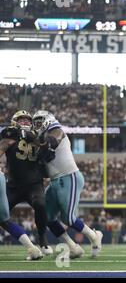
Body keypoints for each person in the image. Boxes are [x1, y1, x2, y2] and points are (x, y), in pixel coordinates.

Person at [32, 110, 103, 258]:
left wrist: (45, 146)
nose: (37, 125)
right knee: (47, 217)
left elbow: (55, 138)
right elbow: (45, 172)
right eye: (35, 122)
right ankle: (73, 247)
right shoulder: (40, 141)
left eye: (39, 121)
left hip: (69, 177)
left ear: (47, 120)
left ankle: (94, 235)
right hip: (54, 181)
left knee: (68, 218)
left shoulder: (56, 130)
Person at [0, 110, 52, 257]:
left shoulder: (38, 135)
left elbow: (45, 147)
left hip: (34, 184)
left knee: (41, 205)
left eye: (27, 120)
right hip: (13, 185)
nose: (25, 122)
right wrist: (20, 134)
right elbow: (5, 140)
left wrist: (32, 137)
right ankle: (28, 243)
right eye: (21, 119)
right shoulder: (10, 134)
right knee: (1, 215)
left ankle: (42, 238)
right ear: (15, 122)